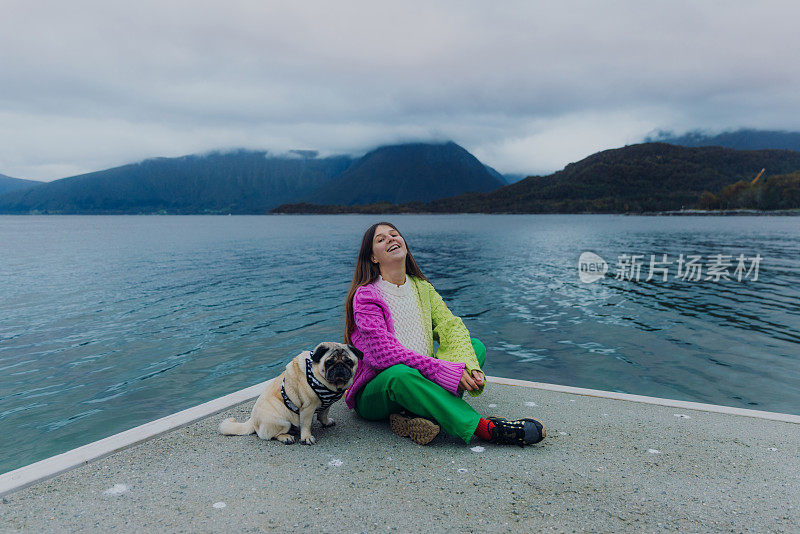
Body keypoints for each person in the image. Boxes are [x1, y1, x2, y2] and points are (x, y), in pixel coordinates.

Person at [343, 221, 545, 446]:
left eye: (394, 234)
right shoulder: (366, 296)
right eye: (381, 239)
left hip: (420, 379)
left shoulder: (422, 288)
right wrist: (440, 370)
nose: (391, 239)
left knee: (474, 347)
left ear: (404, 244)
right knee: (399, 374)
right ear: (373, 257)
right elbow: (383, 355)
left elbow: (451, 327)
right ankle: (486, 429)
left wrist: (469, 366)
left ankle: (416, 416)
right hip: (378, 392)